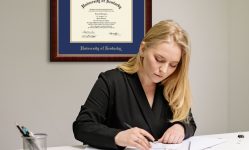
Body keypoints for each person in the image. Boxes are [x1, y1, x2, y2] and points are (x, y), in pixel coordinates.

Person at [73, 20, 197, 150]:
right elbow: (82, 126)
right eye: (159, 59)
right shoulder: (111, 81)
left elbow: (189, 122)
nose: (164, 70)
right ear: (143, 49)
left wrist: (181, 127)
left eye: (173, 65)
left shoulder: (172, 85)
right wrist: (118, 136)